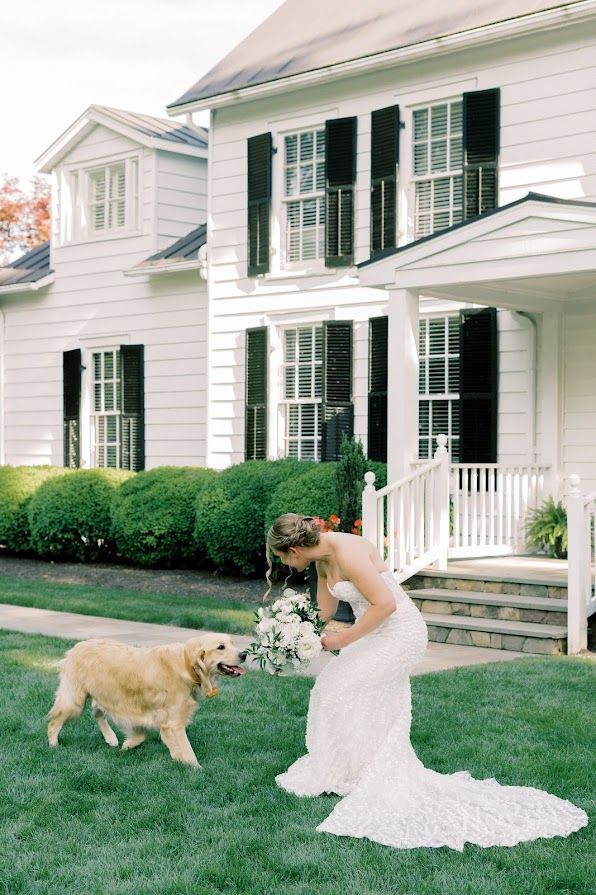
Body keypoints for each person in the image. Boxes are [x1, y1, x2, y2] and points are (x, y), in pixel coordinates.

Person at [265, 513, 588, 850]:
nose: (286, 563)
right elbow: (326, 611)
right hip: (373, 631)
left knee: (342, 687)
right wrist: (291, 632)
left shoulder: (347, 551)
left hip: (399, 633)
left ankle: (369, 771)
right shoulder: (322, 560)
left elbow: (386, 605)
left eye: (283, 556)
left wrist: (342, 641)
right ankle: (348, 768)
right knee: (332, 687)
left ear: (294, 549)